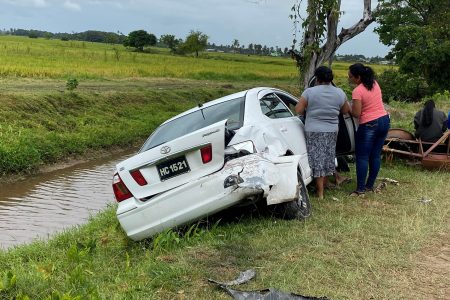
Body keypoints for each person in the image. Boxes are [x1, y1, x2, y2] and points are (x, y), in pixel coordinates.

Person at [295, 66, 350, 199]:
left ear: (317, 78)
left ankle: (320, 193)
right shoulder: (339, 93)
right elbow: (345, 110)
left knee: (317, 159)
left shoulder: (309, 92)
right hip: (331, 130)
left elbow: (298, 110)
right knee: (327, 157)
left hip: (314, 130)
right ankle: (324, 185)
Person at [348, 63, 390, 197]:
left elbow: (356, 113)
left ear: (358, 77)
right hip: (384, 120)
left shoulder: (357, 91)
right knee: (375, 155)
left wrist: (347, 107)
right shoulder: (374, 83)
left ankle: (360, 189)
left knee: (362, 156)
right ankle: (369, 185)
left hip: (369, 124)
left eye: (350, 77)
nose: (349, 79)